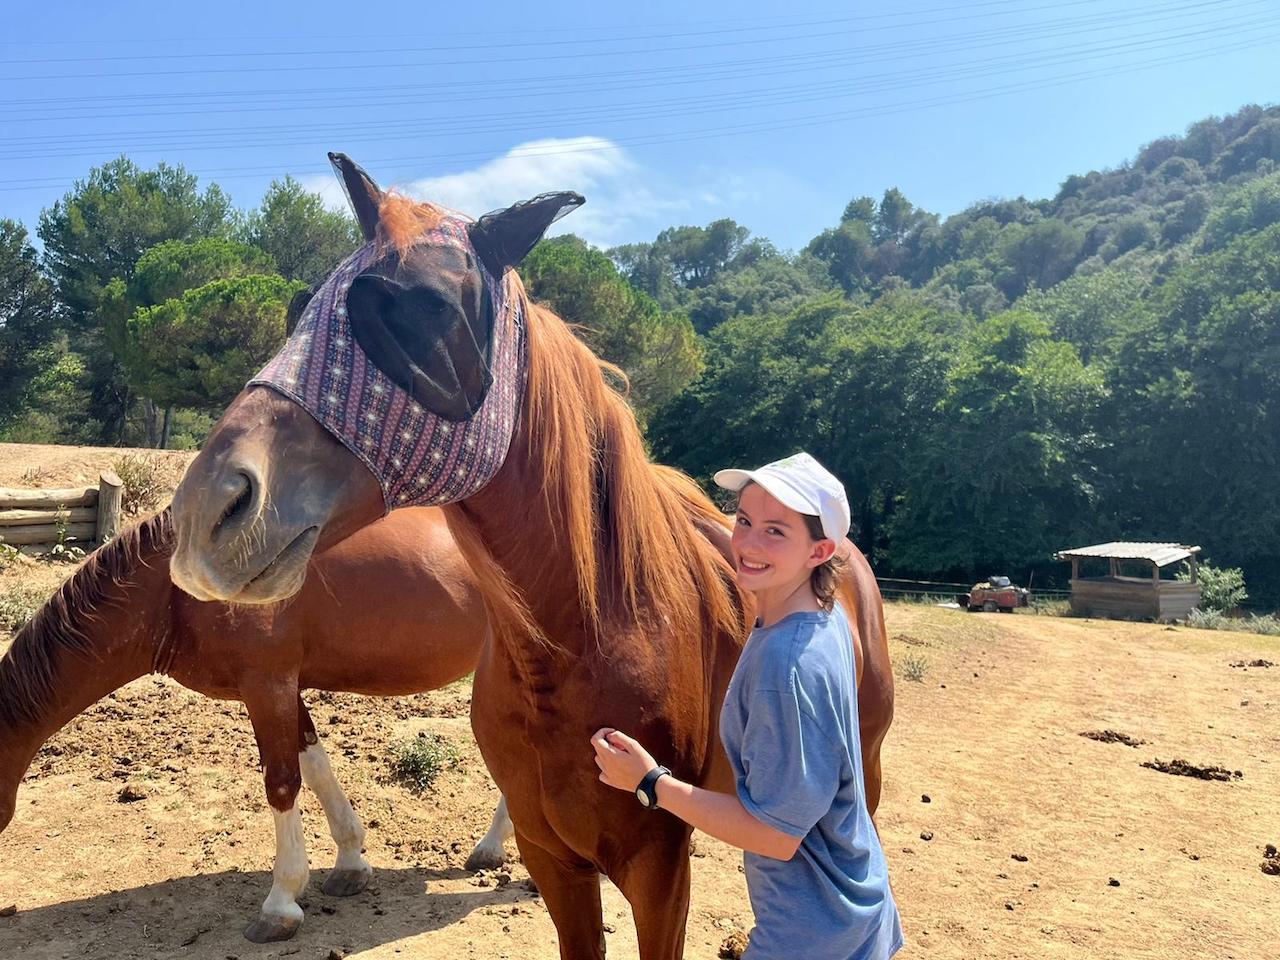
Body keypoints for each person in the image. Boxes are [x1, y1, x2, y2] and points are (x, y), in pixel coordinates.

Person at [591, 452, 903, 960]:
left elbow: (776, 834)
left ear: (820, 551)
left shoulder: (787, 666)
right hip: (850, 900)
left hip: (812, 933)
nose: (748, 543)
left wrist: (650, 783)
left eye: (775, 531)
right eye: (744, 520)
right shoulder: (819, 618)